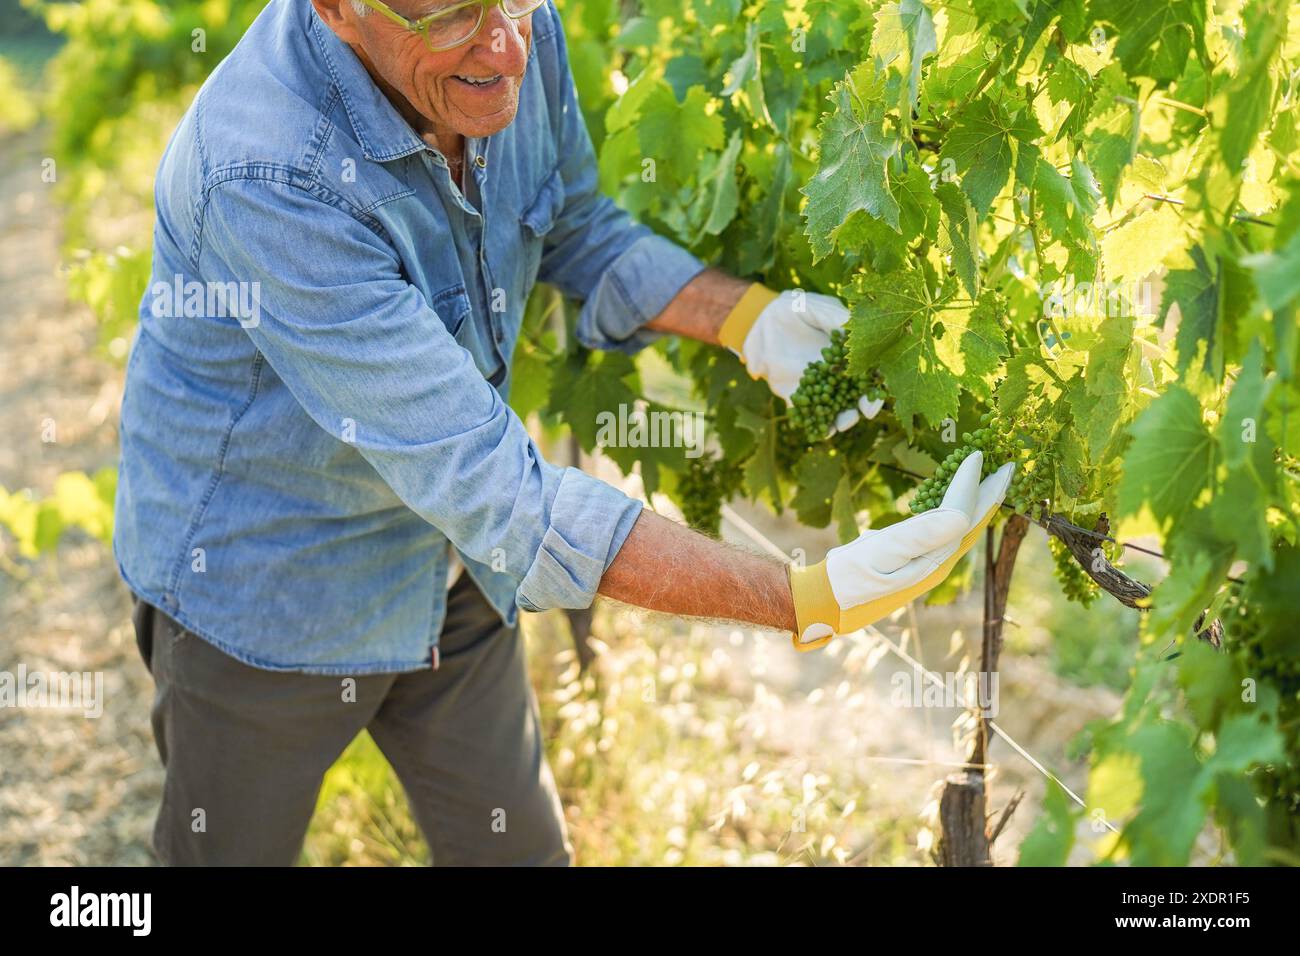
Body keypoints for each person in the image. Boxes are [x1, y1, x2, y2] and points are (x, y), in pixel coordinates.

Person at [114, 0, 1012, 866]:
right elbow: (504, 498)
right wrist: (802, 598)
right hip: (267, 588)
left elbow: (574, 220)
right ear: (339, 8)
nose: (507, 52)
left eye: (517, 3)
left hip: (448, 561)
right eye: (455, 15)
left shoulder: (507, 38)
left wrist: (747, 320)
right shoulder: (268, 175)